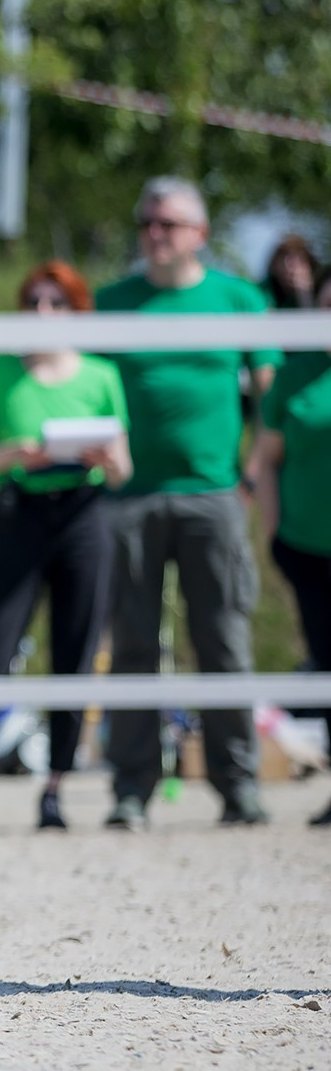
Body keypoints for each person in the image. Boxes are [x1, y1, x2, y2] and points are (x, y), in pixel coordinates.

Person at [0, 263, 131, 831]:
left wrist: (102, 458)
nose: (42, 312)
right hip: (21, 508)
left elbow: (121, 468)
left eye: (55, 302)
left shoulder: (100, 375)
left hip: (83, 514)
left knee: (75, 652)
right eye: (34, 301)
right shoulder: (1, 372)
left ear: (75, 311)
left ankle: (56, 788)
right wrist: (15, 453)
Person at [96, 176, 278, 829]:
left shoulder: (239, 299)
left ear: (199, 233)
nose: (156, 232)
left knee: (224, 640)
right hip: (131, 499)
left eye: (170, 223)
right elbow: (85, 389)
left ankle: (238, 784)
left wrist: (254, 475)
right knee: (134, 645)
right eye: (148, 221)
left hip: (213, 496)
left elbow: (272, 394)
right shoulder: (113, 302)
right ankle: (131, 787)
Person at [247, 267, 331, 827]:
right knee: (327, 664)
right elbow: (264, 461)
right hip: (308, 546)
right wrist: (274, 533)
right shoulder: (295, 377)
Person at [264, 233, 319, 310]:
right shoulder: (263, 291)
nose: (291, 269)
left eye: (300, 260)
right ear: (274, 265)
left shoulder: (322, 292)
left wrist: (304, 295)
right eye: (286, 260)